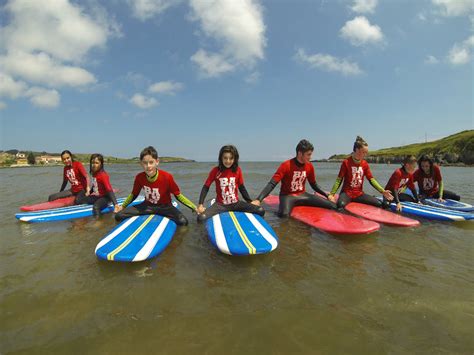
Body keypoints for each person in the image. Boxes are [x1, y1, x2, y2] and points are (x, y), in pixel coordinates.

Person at [253, 139, 336, 217]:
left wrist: (327, 195)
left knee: (332, 205)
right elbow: (272, 184)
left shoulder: (309, 166)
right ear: (300, 153)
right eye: (308, 154)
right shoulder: (286, 165)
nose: (310, 157)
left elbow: (314, 184)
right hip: (287, 196)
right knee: (284, 216)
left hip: (303, 195)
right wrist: (258, 200)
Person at [115, 146, 196, 225]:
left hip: (165, 207)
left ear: (157, 162)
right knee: (119, 215)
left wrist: (194, 208)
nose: (148, 166)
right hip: (147, 206)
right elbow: (134, 194)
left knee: (183, 222)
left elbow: (178, 195)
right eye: (145, 163)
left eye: (151, 162)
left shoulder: (167, 177)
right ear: (141, 164)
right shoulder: (139, 177)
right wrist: (122, 206)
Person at [196, 145, 265, 222]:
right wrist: (200, 204)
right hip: (220, 205)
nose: (228, 161)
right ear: (221, 158)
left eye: (231, 158)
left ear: (235, 159)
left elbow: (241, 187)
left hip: (236, 204)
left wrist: (249, 201)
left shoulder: (237, 170)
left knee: (260, 210)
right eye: (225, 158)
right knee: (201, 218)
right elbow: (206, 187)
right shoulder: (215, 171)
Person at [327, 136, 393, 208]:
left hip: (359, 194)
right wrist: (332, 194)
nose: (365, 154)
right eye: (364, 152)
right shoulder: (346, 163)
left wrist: (382, 191)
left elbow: (371, 179)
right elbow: (338, 180)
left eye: (366, 152)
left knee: (379, 203)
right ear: (357, 150)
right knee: (340, 205)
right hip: (346, 193)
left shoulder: (365, 164)